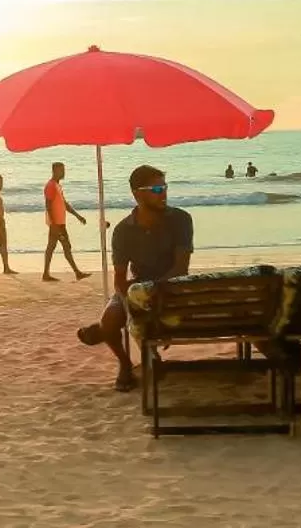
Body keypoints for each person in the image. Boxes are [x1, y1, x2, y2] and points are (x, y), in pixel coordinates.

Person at [77, 165, 192, 392]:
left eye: (165, 187)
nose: (164, 193)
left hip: (172, 287)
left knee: (122, 318)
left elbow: (180, 268)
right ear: (137, 193)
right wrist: (131, 307)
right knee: (111, 319)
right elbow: (120, 279)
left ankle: (102, 333)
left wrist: (149, 296)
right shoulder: (123, 231)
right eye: (157, 189)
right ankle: (125, 363)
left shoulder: (180, 219)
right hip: (137, 287)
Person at [41, 161, 89, 283]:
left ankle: (46, 274)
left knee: (53, 247)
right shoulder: (50, 185)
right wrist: (53, 224)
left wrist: (77, 216)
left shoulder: (57, 185)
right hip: (56, 223)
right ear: (55, 171)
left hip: (59, 222)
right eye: (61, 170)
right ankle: (77, 273)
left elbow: (64, 204)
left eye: (64, 170)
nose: (64, 173)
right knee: (64, 246)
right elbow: (48, 206)